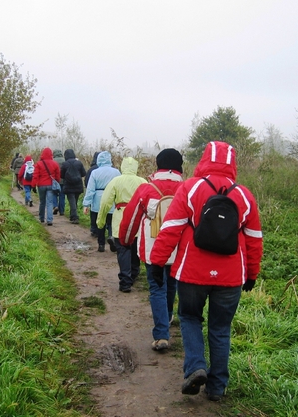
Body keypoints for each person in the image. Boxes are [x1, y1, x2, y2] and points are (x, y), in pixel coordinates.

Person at [149, 141, 263, 402]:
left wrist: (157, 263)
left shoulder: (190, 188)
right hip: (231, 277)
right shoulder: (244, 195)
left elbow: (171, 229)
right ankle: (217, 387)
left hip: (192, 273)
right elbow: (255, 239)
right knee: (220, 328)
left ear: (203, 160)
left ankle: (195, 367)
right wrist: (252, 274)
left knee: (189, 318)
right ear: (233, 163)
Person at [119, 148, 184, 347]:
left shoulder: (148, 189)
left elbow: (130, 218)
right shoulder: (187, 189)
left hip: (152, 248)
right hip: (178, 247)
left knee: (157, 287)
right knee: (172, 282)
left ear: (158, 165)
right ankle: (169, 315)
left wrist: (126, 240)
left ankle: (161, 334)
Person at [98, 157, 147, 293]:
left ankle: (125, 281)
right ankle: (134, 273)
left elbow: (105, 203)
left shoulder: (116, 181)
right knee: (135, 248)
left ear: (123, 166)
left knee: (123, 249)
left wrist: (100, 222)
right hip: (137, 220)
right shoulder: (143, 182)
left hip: (121, 219)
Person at [82, 151, 120, 252]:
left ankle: (101, 244)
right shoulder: (116, 172)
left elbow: (90, 190)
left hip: (98, 200)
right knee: (111, 222)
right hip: (111, 199)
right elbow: (119, 187)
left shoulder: (95, 172)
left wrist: (86, 204)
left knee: (100, 223)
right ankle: (112, 238)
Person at [33, 147, 60, 226]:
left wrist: (33, 185)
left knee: (42, 202)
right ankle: (49, 220)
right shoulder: (55, 164)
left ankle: (41, 218)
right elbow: (58, 176)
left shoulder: (39, 164)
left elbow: (35, 175)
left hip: (41, 185)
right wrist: (56, 182)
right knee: (50, 202)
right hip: (51, 185)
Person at [60, 149, 87, 224]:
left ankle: (74, 217)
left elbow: (61, 175)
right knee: (75, 201)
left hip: (68, 185)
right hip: (78, 184)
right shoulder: (79, 163)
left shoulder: (65, 164)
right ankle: (72, 216)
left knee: (72, 201)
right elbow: (83, 173)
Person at [84, 151, 101, 237]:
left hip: (94, 194)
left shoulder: (91, 170)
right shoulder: (111, 169)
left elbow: (86, 182)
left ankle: (94, 229)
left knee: (94, 212)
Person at [52, 149, 66, 216]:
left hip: (55, 181)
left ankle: (55, 206)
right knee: (62, 196)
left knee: (54, 194)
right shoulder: (64, 160)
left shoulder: (53, 161)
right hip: (63, 181)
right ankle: (62, 211)